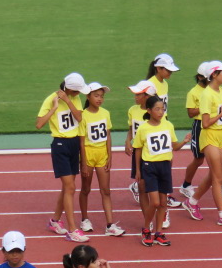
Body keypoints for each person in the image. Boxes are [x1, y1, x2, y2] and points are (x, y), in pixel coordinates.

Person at [181, 62, 222, 227]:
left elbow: (221, 121)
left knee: (214, 174)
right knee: (217, 177)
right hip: (209, 137)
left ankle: (192, 202)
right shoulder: (206, 95)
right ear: (214, 74)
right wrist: (221, 113)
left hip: (220, 136)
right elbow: (206, 123)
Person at [36, 73, 90, 243]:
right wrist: (54, 108)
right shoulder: (50, 99)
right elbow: (39, 124)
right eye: (76, 91)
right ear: (69, 88)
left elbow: (79, 117)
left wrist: (67, 101)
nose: (78, 93)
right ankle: (72, 230)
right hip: (60, 145)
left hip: (74, 144)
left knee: (67, 188)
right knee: (70, 187)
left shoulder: (75, 98)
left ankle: (54, 221)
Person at [133, 95, 192, 247]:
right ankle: (146, 229)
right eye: (157, 109)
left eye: (162, 109)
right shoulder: (143, 128)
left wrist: (184, 142)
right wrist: (138, 170)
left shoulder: (168, 125)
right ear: (149, 111)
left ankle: (158, 233)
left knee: (163, 203)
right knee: (155, 202)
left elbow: (174, 146)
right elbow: (137, 149)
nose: (161, 112)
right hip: (149, 167)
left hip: (165, 166)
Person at [78, 83, 125, 237]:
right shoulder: (83, 115)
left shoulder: (105, 113)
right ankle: (85, 219)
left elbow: (108, 136)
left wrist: (110, 156)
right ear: (88, 96)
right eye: (96, 96)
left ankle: (110, 224)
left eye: (102, 96)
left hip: (102, 155)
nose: (99, 99)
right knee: (86, 189)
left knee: (106, 190)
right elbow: (81, 141)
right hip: (88, 154)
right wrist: (83, 163)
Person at [146, 53, 182, 221]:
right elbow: (147, 109)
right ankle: (161, 203)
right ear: (158, 68)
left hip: (164, 125)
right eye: (167, 70)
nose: (170, 73)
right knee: (157, 163)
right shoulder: (150, 85)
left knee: (167, 162)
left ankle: (164, 196)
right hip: (154, 129)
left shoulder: (164, 83)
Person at [179, 62, 210, 199]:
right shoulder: (193, 92)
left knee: (219, 159)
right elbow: (191, 113)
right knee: (198, 159)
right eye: (207, 77)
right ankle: (186, 185)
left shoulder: (215, 90)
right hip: (200, 126)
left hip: (213, 126)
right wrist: (204, 106)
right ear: (199, 77)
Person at [125, 80, 157, 205]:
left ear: (147, 96)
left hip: (153, 153)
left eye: (138, 95)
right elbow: (131, 128)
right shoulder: (132, 110)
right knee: (142, 185)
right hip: (139, 151)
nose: (135, 97)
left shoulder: (156, 112)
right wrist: (128, 140)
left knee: (155, 184)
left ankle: (161, 209)